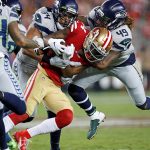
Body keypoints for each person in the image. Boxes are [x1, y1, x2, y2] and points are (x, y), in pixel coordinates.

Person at [13, 20, 113, 150]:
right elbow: (32, 48)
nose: (93, 54)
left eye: (98, 53)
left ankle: (28, 137)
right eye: (94, 49)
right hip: (39, 70)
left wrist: (67, 59)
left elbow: (68, 72)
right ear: (89, 38)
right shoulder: (76, 30)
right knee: (25, 113)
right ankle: (6, 138)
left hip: (56, 82)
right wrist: (50, 47)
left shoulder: (89, 58)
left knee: (63, 115)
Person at [67, 0, 150, 140]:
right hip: (98, 62)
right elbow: (85, 19)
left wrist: (81, 53)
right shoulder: (98, 15)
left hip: (123, 66)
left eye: (104, 19)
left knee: (142, 104)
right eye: (101, 17)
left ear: (116, 21)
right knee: (74, 89)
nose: (99, 21)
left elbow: (103, 64)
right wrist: (71, 18)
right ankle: (94, 115)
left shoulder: (123, 34)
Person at [3, 0, 79, 150]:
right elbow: (27, 48)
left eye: (71, 16)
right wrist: (48, 58)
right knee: (24, 111)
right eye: (64, 14)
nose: (66, 19)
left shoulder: (73, 26)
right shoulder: (45, 17)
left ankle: (54, 147)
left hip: (46, 69)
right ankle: (2, 126)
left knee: (56, 109)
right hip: (27, 65)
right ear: (57, 10)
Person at [0, 0, 45, 149]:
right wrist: (43, 45)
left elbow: (20, 49)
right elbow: (22, 42)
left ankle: (6, 144)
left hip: (10, 61)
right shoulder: (10, 9)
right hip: (2, 60)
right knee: (21, 108)